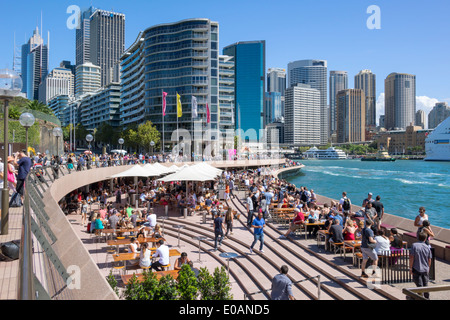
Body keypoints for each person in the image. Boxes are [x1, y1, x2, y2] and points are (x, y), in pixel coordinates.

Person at [409, 232, 433, 299]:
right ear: (425, 239)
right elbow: (429, 259)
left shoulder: (414, 245)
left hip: (416, 268)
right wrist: (428, 268)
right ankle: (427, 298)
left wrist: (410, 268)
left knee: (419, 285)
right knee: (425, 285)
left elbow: (411, 257)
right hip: (425, 268)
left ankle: (420, 297)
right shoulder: (427, 247)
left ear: (418, 237)